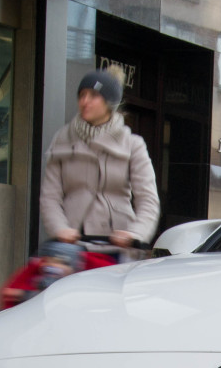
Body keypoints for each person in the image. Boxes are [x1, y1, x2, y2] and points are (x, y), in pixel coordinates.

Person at [39, 66, 160, 261]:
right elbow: (50, 197)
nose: (85, 101)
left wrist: (136, 234)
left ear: (109, 102)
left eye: (93, 96)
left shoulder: (132, 144)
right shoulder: (62, 139)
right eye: (82, 95)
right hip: (72, 245)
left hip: (117, 246)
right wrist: (59, 229)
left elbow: (148, 199)